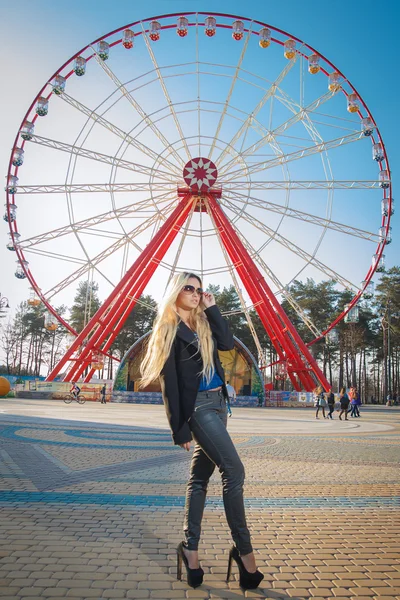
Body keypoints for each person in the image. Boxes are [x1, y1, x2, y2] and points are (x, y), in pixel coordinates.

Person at [140, 272, 263, 590]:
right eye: (189, 288)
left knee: (198, 480)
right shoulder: (168, 329)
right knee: (234, 471)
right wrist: (178, 428)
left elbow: (226, 343)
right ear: (175, 292)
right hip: (198, 408)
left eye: (199, 289)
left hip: (220, 404)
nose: (195, 293)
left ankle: (190, 550)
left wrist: (212, 307)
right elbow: (169, 382)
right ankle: (245, 555)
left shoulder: (203, 323)